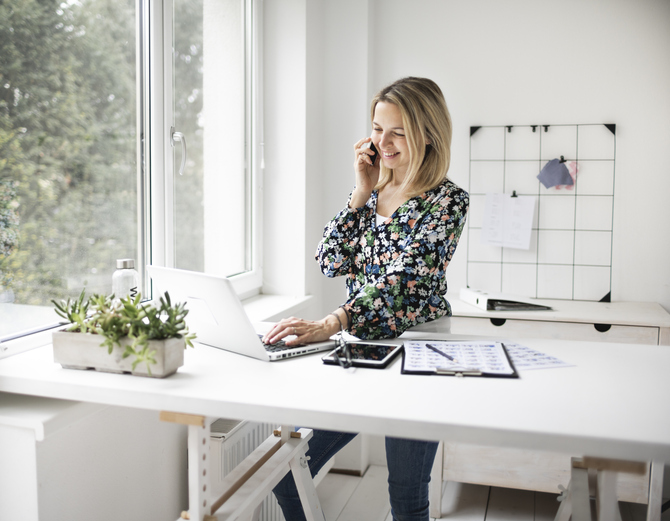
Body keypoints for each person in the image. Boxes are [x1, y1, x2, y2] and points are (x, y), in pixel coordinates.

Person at [263, 76, 469, 521]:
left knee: (406, 498)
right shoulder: (372, 192)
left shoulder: (448, 201)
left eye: (398, 131)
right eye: (378, 128)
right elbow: (329, 260)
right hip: (362, 348)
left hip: (421, 353)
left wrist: (332, 321)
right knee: (286, 471)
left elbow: (404, 283)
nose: (384, 141)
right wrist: (360, 192)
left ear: (427, 134)